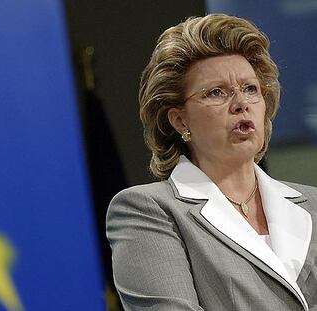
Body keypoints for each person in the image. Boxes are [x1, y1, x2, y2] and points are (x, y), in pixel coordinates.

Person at [106, 13, 317, 311]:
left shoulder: (314, 204)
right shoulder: (149, 211)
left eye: (250, 89)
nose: (241, 103)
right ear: (180, 120)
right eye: (217, 92)